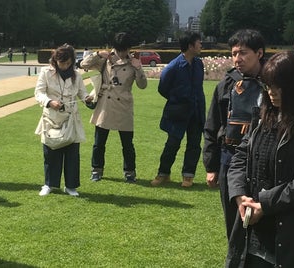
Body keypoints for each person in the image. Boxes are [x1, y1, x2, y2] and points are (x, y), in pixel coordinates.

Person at [226, 51, 294, 267]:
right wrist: (240, 196)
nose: (272, 92)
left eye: (278, 86)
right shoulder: (264, 116)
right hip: (255, 230)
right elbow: (240, 157)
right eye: (268, 85)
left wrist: (264, 204)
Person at [203, 29, 266, 256]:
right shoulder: (226, 85)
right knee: (234, 220)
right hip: (230, 160)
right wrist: (211, 166)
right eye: (234, 53)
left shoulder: (273, 83)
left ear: (259, 53)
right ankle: (236, 256)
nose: (237, 59)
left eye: (243, 53)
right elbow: (212, 126)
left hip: (263, 161)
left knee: (262, 218)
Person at [80, 32, 148, 183]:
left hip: (124, 104)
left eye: (126, 50)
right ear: (115, 48)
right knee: (99, 142)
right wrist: (97, 54)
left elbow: (142, 86)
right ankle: (96, 169)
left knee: (127, 144)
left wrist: (139, 69)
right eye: (121, 50)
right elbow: (83, 64)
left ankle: (129, 171)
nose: (124, 53)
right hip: (106, 103)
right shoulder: (105, 59)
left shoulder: (132, 62)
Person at [34, 44, 91, 196]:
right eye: (62, 63)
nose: (65, 66)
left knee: (72, 153)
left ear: (72, 61)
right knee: (51, 151)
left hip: (71, 119)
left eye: (68, 63)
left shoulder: (76, 75)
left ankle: (71, 186)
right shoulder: (46, 72)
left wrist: (88, 98)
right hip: (51, 118)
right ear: (55, 60)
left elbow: (82, 93)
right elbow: (38, 93)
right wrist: (49, 102)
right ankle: (49, 184)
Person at [153, 32, 205, 188]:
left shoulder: (198, 64)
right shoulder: (174, 66)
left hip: (196, 111)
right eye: (198, 42)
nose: (201, 45)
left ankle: (188, 176)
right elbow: (162, 88)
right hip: (179, 111)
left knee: (194, 144)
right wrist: (177, 99)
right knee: (172, 144)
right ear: (190, 46)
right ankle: (163, 174)